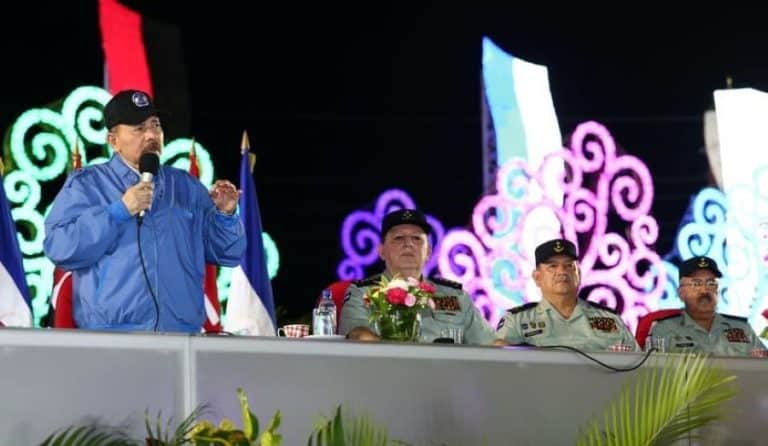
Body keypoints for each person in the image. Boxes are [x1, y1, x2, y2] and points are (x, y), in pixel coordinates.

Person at [43, 89, 246, 333]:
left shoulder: (185, 186)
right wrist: (118, 211)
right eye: (139, 128)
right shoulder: (87, 185)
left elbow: (229, 254)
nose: (152, 134)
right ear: (113, 140)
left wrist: (225, 215)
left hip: (180, 339)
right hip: (112, 340)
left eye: (155, 125)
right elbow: (59, 247)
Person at [339, 208, 496, 345]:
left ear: (428, 252)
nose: (409, 244)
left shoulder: (456, 296)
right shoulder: (362, 293)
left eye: (417, 238)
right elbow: (357, 336)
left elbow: (490, 345)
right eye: (398, 238)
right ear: (381, 251)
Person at [495, 238, 639, 352]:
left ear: (579, 275)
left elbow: (639, 369)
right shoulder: (516, 321)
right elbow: (497, 366)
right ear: (537, 277)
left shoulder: (611, 320)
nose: (562, 271)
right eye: (552, 266)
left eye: (569, 266)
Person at [648, 256, 767, 356]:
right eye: (696, 283)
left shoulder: (743, 329)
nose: (704, 290)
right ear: (681, 294)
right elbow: (652, 375)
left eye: (711, 283)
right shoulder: (664, 330)